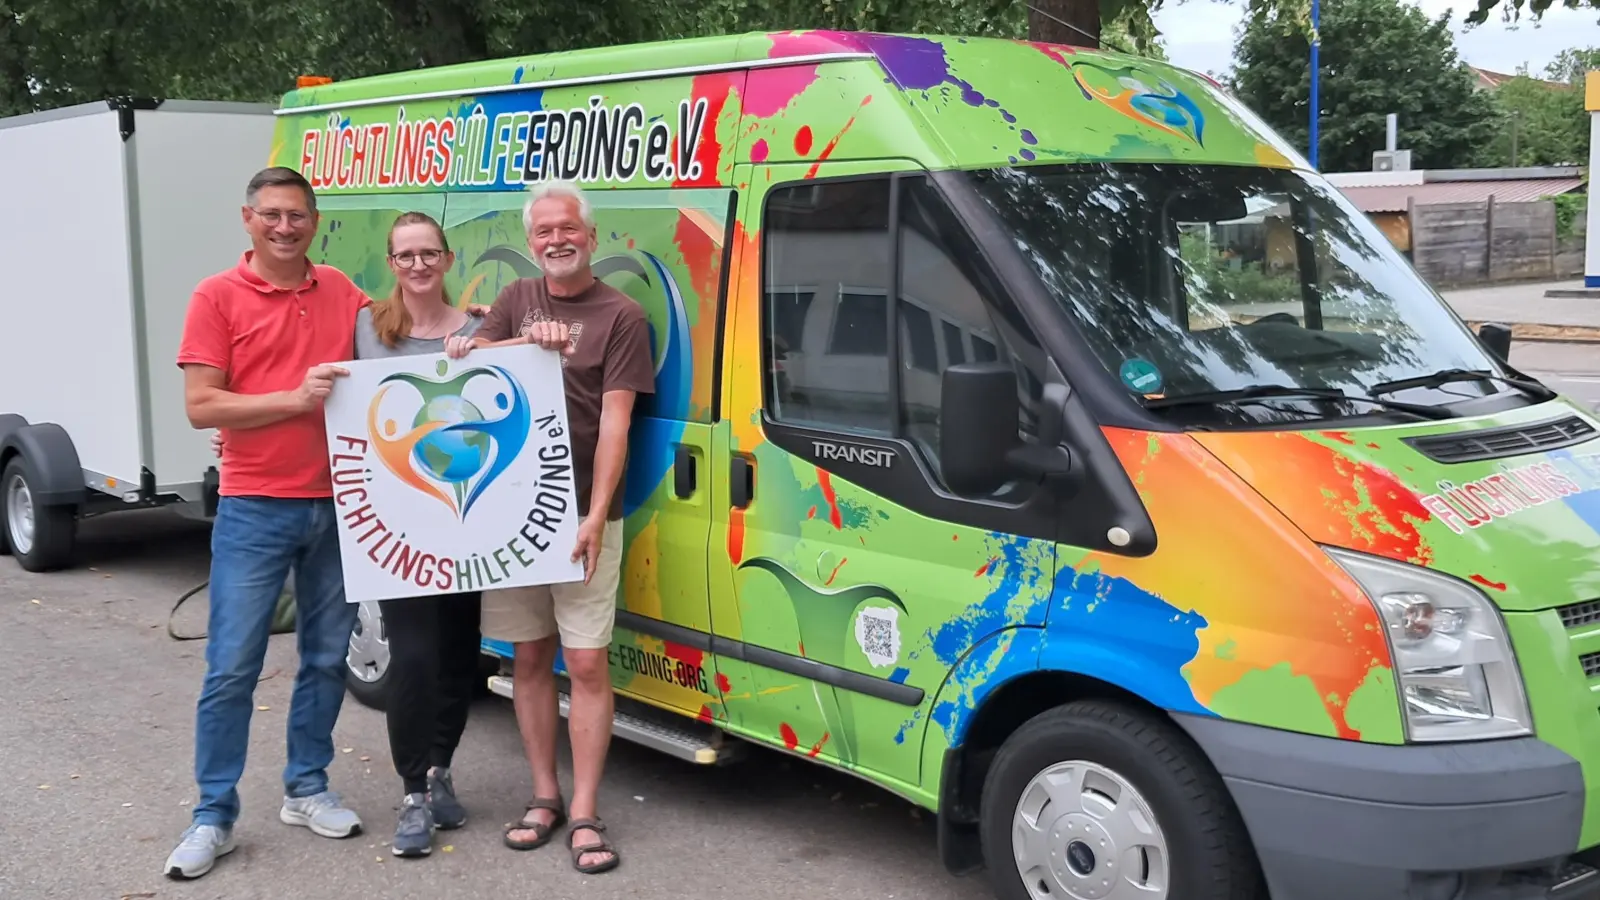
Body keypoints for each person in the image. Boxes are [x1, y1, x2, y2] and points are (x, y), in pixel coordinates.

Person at [208, 211, 487, 860]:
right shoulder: (367, 326)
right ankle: (414, 792)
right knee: (413, 658)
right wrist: (242, 424)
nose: (417, 264)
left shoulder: (478, 329)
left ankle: (442, 770)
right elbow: (306, 372)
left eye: (429, 253)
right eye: (405, 255)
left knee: (457, 655)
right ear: (391, 265)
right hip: (396, 528)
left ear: (447, 260)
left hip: (468, 523)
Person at [444, 178, 654, 875]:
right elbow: (473, 377)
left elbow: (618, 423)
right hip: (512, 513)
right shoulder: (514, 301)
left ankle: (587, 809)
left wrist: (595, 516)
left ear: (592, 238)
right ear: (531, 243)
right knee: (528, 656)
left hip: (584, 516)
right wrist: (465, 346)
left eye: (568, 228)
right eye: (543, 232)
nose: (556, 240)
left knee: (587, 660)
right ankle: (545, 796)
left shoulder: (622, 316)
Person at [165, 166, 371, 880]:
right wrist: (294, 400)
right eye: (273, 215)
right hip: (255, 506)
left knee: (324, 658)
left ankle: (306, 788)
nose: (286, 226)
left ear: (316, 221)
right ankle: (212, 815)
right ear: (248, 219)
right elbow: (202, 405)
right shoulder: (216, 296)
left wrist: (488, 337)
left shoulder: (342, 290)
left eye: (299, 215)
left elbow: (405, 343)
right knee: (231, 667)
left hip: (340, 504)